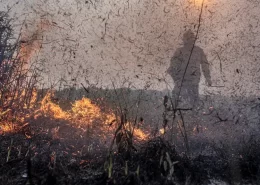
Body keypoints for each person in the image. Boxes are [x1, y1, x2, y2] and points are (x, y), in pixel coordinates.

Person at [167, 30, 212, 109]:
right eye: (189, 38)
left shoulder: (199, 51)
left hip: (193, 81)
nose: (191, 40)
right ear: (185, 40)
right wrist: (176, 79)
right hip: (181, 80)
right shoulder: (179, 51)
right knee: (176, 101)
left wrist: (208, 78)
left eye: (192, 38)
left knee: (194, 101)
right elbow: (172, 67)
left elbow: (205, 64)